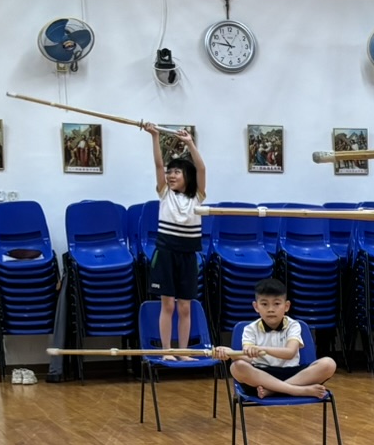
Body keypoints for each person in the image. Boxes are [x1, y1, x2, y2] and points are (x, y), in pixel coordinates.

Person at [141, 122, 206, 356]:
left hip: (188, 255)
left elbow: (202, 169)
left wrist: (190, 143)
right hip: (166, 253)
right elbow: (159, 164)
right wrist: (154, 136)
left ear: (187, 176)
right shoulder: (164, 194)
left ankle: (184, 351)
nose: (170, 175)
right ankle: (167, 350)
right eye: (170, 173)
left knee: (185, 307)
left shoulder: (197, 197)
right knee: (167, 304)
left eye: (176, 172)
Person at [218, 276, 336, 399]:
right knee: (236, 367)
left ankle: (273, 390)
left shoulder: (293, 325)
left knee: (329, 364)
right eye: (264, 304)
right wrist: (230, 353)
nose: (270, 309)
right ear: (256, 306)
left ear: (286, 306)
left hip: (293, 373)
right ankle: (297, 390)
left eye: (277, 304)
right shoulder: (250, 329)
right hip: (262, 376)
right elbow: (248, 357)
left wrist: (261, 348)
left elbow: (290, 353)